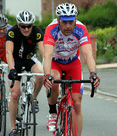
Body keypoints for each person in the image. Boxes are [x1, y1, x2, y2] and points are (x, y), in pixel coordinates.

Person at [43, 3, 100, 136]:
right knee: (54, 78)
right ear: (58, 21)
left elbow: (87, 54)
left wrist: (93, 73)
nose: (68, 26)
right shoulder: (51, 29)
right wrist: (47, 75)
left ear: (75, 20)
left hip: (73, 62)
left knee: (77, 104)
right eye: (64, 22)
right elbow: (47, 55)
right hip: (55, 62)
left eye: (71, 22)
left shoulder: (81, 29)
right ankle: (52, 111)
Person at [6, 10, 44, 136]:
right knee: (15, 95)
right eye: (23, 26)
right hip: (15, 62)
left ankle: (34, 98)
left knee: (40, 74)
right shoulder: (12, 32)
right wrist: (11, 69)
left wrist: (47, 69)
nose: (26, 29)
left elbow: (43, 52)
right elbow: (8, 52)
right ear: (18, 25)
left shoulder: (37, 31)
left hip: (29, 58)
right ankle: (13, 128)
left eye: (29, 26)